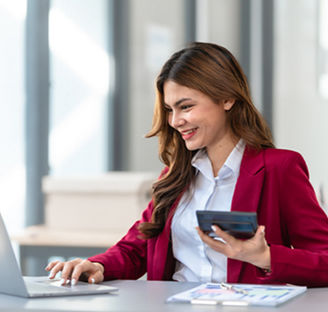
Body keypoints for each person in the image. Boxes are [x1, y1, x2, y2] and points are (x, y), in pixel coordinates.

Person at [46, 42, 328, 287]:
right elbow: (137, 248)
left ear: (227, 98)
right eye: (170, 109)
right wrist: (100, 266)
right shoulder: (176, 176)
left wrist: (264, 257)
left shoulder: (280, 168)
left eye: (186, 106)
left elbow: (324, 260)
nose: (174, 121)